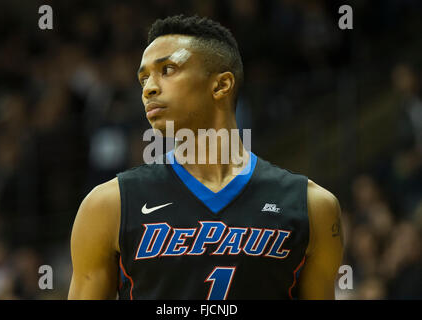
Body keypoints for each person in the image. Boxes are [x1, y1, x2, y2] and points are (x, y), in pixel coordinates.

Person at [68, 15, 343, 300]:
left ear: (221, 85)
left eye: (168, 69)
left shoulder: (312, 206)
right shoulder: (108, 206)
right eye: (144, 78)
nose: (148, 88)